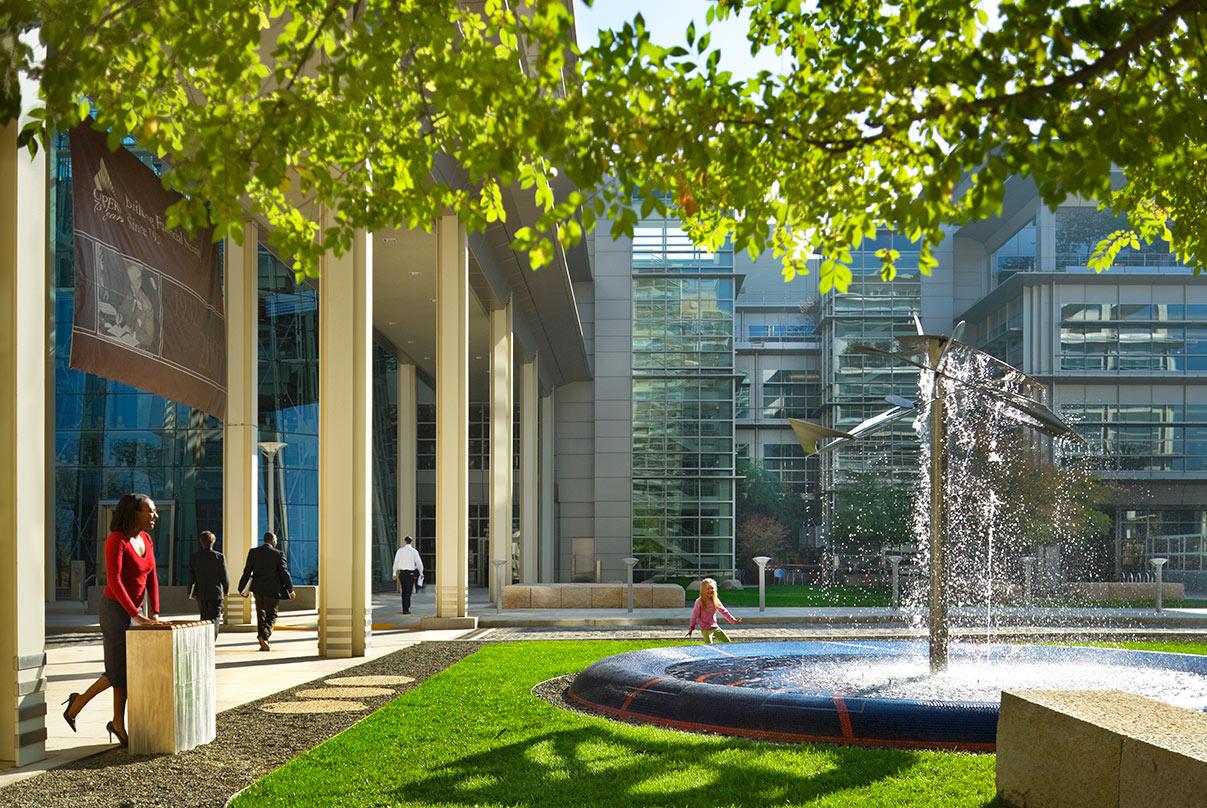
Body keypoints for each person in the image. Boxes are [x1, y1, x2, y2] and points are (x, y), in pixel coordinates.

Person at [61, 493, 163, 747]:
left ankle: (117, 722)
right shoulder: (116, 540)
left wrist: (155, 612)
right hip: (115, 609)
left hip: (133, 610)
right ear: (134, 512)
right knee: (118, 670)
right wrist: (135, 614)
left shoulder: (146, 539)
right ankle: (78, 703)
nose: (155, 516)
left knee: (124, 670)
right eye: (150, 511)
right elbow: (115, 582)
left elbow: (151, 576)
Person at [238, 531, 295, 651]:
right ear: (273, 541)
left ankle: (262, 640)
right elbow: (284, 573)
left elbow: (247, 571)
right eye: (276, 540)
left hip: (258, 589)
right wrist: (290, 589)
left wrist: (241, 588)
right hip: (273, 589)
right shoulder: (278, 554)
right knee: (272, 614)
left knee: (260, 614)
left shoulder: (253, 552)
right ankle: (264, 636)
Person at [189, 530, 228, 639]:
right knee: (215, 618)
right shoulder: (219, 557)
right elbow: (224, 576)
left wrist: (191, 592)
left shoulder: (195, 557)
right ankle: (212, 640)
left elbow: (191, 577)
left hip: (201, 593)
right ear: (213, 542)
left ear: (201, 542)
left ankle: (205, 640)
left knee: (204, 618)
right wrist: (226, 590)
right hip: (216, 593)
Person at [685, 577, 741, 645]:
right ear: (703, 590)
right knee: (709, 645)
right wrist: (691, 628)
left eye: (712, 588)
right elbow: (695, 615)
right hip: (705, 629)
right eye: (708, 589)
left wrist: (733, 620)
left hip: (715, 627)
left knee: (728, 643)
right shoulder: (699, 601)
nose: (710, 590)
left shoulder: (715, 601)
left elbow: (724, 612)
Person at [391, 535, 424, 615]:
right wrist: (421, 572)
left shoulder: (400, 551)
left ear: (405, 541)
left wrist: (394, 573)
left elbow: (396, 562)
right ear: (411, 542)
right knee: (408, 591)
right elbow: (419, 563)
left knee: (404, 591)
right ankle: (406, 608)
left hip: (402, 574)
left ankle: (404, 608)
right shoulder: (414, 551)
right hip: (410, 574)